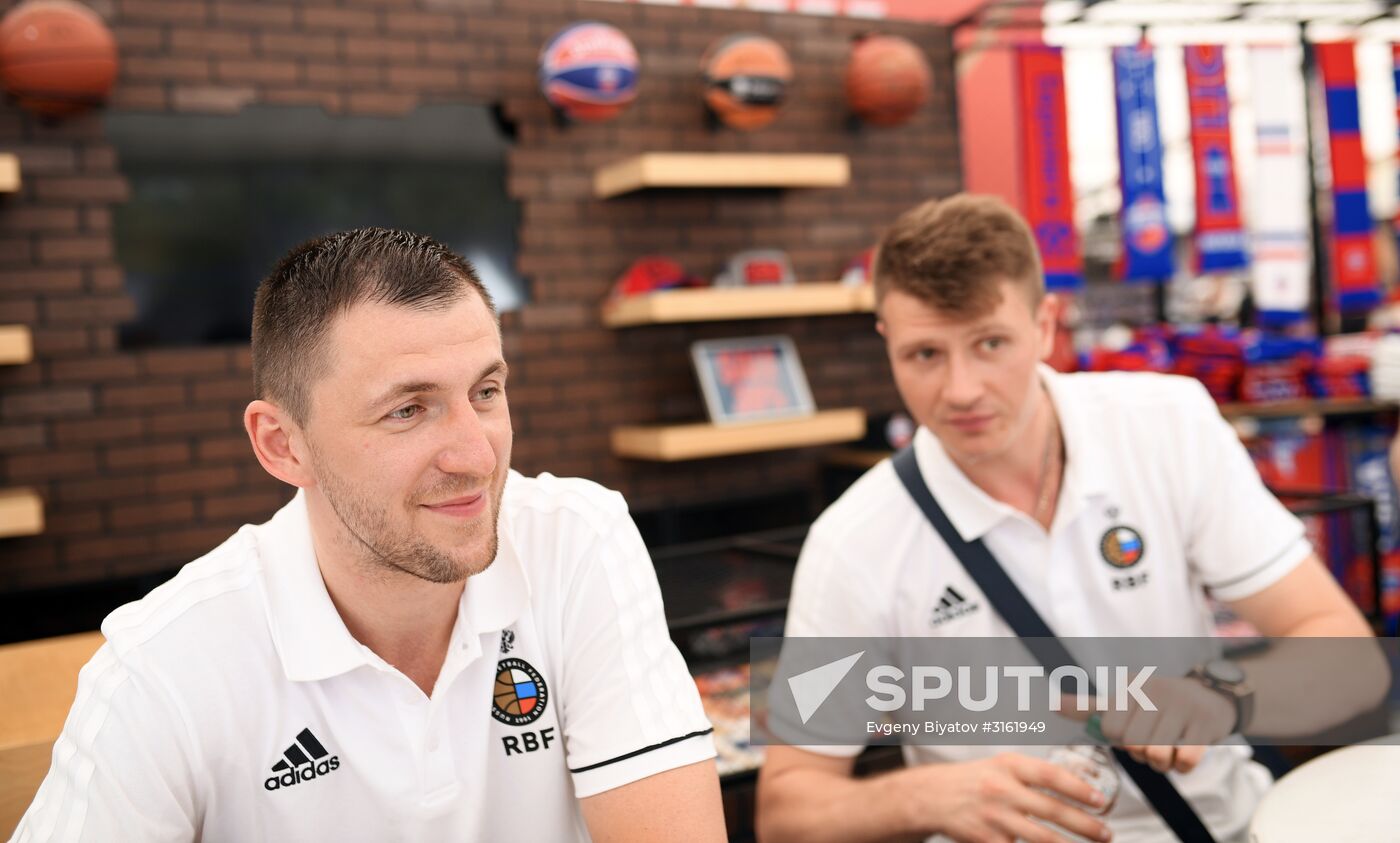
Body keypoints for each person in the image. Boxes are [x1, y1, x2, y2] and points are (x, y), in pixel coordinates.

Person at [12, 229, 725, 842]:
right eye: (408, 410)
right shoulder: (165, 662)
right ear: (283, 445)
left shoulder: (576, 539)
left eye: (486, 391)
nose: (478, 457)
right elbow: (799, 802)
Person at [755, 195, 1376, 843]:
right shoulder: (852, 541)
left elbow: (1351, 660)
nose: (961, 388)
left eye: (990, 343)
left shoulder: (1167, 427)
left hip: (1212, 826)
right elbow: (787, 807)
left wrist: (1222, 696)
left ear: (1045, 324)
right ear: (886, 339)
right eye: (925, 355)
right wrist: (925, 796)